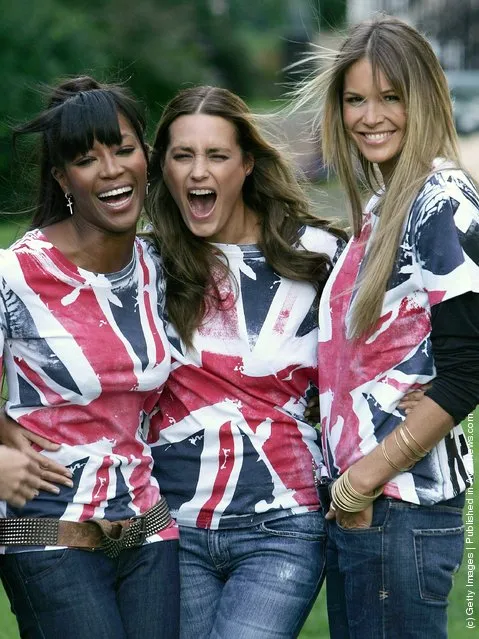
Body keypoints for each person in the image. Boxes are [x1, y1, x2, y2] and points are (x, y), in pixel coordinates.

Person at [295, 14, 479, 639]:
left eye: (390, 97)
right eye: (355, 100)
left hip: (401, 511)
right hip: (367, 510)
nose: (370, 115)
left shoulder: (441, 202)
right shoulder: (385, 206)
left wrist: (366, 477)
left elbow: (468, 368)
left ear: (424, 97)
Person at [142, 85, 347, 639]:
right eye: (182, 155)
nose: (196, 171)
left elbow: (378, 354)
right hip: (171, 529)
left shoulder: (319, 256)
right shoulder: (145, 265)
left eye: (217, 155)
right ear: (163, 167)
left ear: (248, 165)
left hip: (284, 522)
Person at [0, 76, 180, 638]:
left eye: (124, 149)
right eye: (86, 159)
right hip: (47, 534)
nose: (111, 170)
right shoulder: (16, 275)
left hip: (150, 530)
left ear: (146, 157)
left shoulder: (160, 267)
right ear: (63, 179)